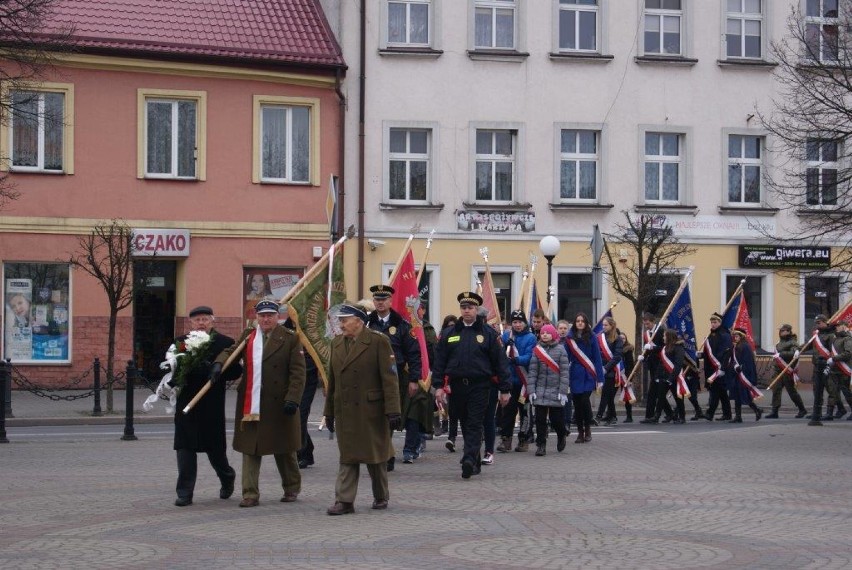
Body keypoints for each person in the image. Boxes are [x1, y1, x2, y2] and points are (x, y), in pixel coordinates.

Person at [218, 299, 306, 507]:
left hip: (280, 403)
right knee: (251, 448)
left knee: (284, 449)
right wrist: (218, 363)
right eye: (262, 315)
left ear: (278, 317)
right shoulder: (249, 336)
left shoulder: (291, 339)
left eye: (270, 315)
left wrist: (292, 399)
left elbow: (298, 373)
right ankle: (250, 493)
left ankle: (291, 488)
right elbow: (231, 352)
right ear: (256, 317)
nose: (266, 319)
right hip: (252, 403)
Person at [324, 303, 401, 515]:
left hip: (371, 410)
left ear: (358, 321)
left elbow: (390, 379)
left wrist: (393, 410)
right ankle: (345, 500)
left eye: (344, 320)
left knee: (375, 457)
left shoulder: (378, 341)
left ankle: (380, 495)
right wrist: (328, 411)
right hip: (346, 409)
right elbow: (333, 381)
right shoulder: (337, 344)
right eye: (340, 320)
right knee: (348, 456)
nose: (340, 324)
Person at [433, 292, 511, 479]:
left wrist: (505, 389)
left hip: (480, 385)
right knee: (465, 422)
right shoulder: (449, 333)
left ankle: (468, 458)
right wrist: (438, 386)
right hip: (457, 386)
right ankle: (474, 459)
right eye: (464, 307)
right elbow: (440, 362)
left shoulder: (488, 334)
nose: (467, 311)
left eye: (470, 308)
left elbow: (500, 362)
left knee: (475, 423)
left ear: (477, 310)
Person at [172, 306, 242, 507]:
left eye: (204, 319)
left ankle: (227, 476)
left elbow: (236, 371)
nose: (201, 323)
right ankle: (184, 492)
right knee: (184, 448)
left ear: (212, 321)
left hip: (211, 404)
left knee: (215, 450)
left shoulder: (224, 343)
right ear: (191, 323)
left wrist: (218, 369)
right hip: (186, 404)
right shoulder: (181, 343)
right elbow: (173, 368)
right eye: (196, 320)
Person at [366, 284, 425, 468]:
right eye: (377, 299)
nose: (380, 303)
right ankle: (385, 452)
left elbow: (414, 354)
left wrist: (414, 380)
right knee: (375, 417)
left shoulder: (402, 325)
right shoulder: (367, 324)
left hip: (395, 377)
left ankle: (387, 453)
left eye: (383, 299)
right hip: (371, 377)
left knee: (391, 415)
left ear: (390, 301)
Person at [282, 316, 321, 469]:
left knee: (301, 414)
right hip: (289, 379)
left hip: (307, 378)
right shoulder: (285, 329)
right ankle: (307, 449)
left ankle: (300, 453)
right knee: (294, 417)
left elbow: (316, 352)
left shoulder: (309, 328)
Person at [527, 323, 570, 455]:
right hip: (540, 390)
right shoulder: (537, 350)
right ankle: (541, 445)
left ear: (553, 334)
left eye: (548, 332)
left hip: (556, 390)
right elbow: (533, 372)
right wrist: (531, 390)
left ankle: (562, 434)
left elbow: (564, 373)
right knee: (539, 419)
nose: (544, 334)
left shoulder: (561, 350)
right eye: (543, 332)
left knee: (556, 420)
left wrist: (563, 392)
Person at [498, 309, 536, 454]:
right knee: (507, 411)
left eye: (520, 322)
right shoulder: (507, 336)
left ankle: (523, 439)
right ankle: (506, 439)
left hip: (523, 381)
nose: (517, 325)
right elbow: (500, 353)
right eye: (515, 322)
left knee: (525, 412)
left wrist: (515, 360)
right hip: (509, 380)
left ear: (525, 323)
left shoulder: (530, 337)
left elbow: (529, 357)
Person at [565, 312, 605, 443]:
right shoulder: (569, 339)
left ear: (586, 323)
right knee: (577, 404)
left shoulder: (592, 337)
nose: (580, 323)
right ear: (575, 323)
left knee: (584, 401)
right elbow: (566, 358)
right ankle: (580, 432)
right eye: (578, 321)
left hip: (588, 373)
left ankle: (587, 428)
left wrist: (600, 378)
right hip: (575, 373)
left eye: (582, 321)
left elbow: (597, 358)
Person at [766, 324, 808, 419]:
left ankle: (802, 409)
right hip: (778, 370)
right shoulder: (779, 343)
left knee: (791, 391)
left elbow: (794, 354)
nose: (781, 332)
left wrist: (781, 354)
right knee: (776, 390)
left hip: (787, 371)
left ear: (789, 331)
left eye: (783, 330)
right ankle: (774, 411)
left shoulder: (793, 342)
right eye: (781, 330)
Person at [726, 328, 764, 423]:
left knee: (744, 395)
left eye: (737, 336)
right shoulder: (735, 346)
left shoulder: (746, 346)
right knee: (736, 395)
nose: (735, 337)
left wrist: (741, 368)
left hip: (743, 375)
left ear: (742, 336)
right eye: (735, 336)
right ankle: (738, 417)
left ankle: (757, 409)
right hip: (736, 375)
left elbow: (747, 362)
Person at [702, 312, 732, 422]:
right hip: (711, 367)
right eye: (711, 322)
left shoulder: (724, 335)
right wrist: (701, 354)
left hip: (719, 368)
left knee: (715, 391)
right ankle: (727, 414)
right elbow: (710, 351)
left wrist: (722, 368)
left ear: (720, 322)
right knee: (722, 393)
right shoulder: (712, 334)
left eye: (715, 322)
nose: (713, 324)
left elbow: (725, 352)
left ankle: (710, 413)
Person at [638, 312, 667, 424]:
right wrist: (643, 357)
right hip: (652, 365)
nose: (647, 326)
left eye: (648, 323)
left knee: (653, 392)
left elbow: (664, 348)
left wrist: (653, 347)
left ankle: (650, 416)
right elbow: (647, 349)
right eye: (645, 324)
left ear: (653, 321)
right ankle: (668, 414)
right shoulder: (647, 334)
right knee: (656, 392)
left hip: (661, 365)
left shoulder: (660, 331)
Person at [595, 316, 623, 425]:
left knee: (605, 394)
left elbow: (617, 356)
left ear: (612, 326)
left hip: (611, 371)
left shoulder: (617, 338)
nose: (603, 327)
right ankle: (613, 416)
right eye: (603, 325)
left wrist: (606, 368)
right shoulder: (600, 337)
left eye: (606, 325)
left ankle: (598, 416)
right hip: (601, 368)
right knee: (610, 395)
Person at [808, 314, 835, 426]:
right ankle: (817, 412)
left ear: (825, 322)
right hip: (817, 364)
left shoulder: (831, 335)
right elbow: (808, 345)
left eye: (819, 323)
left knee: (831, 389)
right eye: (816, 323)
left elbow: (833, 349)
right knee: (816, 389)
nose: (817, 325)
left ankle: (830, 412)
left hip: (827, 365)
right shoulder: (816, 334)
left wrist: (831, 360)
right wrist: (798, 350)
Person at [824, 318, 852, 421]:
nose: (837, 328)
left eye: (838, 326)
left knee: (846, 391)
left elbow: (848, 353)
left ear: (844, 326)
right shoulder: (835, 339)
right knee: (832, 391)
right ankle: (829, 413)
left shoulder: (847, 339)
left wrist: (834, 358)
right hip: (834, 369)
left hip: (843, 369)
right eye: (836, 326)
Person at [438, 314, 459, 448]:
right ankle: (451, 437)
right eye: (448, 326)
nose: (450, 329)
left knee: (461, 410)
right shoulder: (443, 338)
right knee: (452, 408)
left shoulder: (460, 336)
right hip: (448, 376)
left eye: (453, 326)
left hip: (459, 375)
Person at [655, 329, 682, 423]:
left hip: (674, 377)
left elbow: (678, 364)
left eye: (664, 336)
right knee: (660, 397)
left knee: (678, 398)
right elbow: (661, 363)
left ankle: (681, 417)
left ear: (669, 337)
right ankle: (657, 416)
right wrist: (657, 376)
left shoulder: (678, 348)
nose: (663, 337)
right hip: (663, 376)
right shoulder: (664, 348)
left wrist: (671, 378)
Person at [619, 331, 635, 423]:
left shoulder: (628, 350)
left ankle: (629, 416)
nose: (622, 340)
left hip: (625, 376)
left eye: (624, 338)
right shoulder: (616, 348)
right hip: (617, 375)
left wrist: (630, 378)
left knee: (627, 396)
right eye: (620, 339)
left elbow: (630, 365)